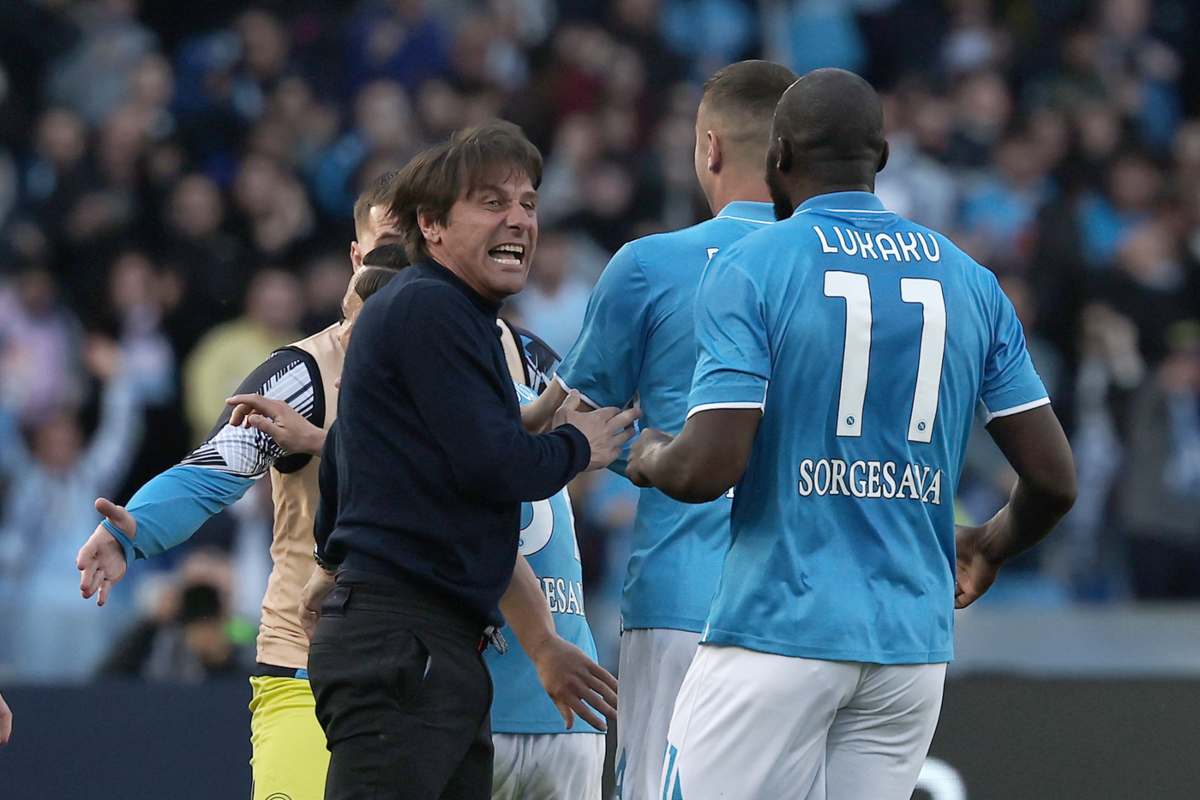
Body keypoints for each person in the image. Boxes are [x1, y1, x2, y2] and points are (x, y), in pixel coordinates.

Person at [627, 68, 1077, 799]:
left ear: (777, 157)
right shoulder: (970, 281)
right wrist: (991, 543)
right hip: (908, 653)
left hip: (776, 630)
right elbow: (1055, 481)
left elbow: (708, 466)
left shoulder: (752, 266)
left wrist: (648, 455)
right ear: (883, 158)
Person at [306, 121, 637, 800]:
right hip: (407, 647)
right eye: (492, 202)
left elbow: (356, 465)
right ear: (430, 224)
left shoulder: (433, 314)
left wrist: (342, 571)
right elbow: (496, 470)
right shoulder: (438, 310)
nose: (518, 219)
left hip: (419, 646)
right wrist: (581, 446)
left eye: (528, 204)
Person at [74, 170, 408, 800]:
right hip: (307, 663)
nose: (398, 259)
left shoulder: (492, 356)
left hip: (426, 672)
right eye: (385, 242)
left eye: (413, 242)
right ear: (355, 255)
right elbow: (216, 466)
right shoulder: (303, 372)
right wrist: (134, 532)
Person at [520, 58, 798, 799]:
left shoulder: (650, 265)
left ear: (708, 148)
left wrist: (638, 453)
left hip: (683, 598)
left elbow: (577, 424)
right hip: (813, 608)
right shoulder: (840, 272)